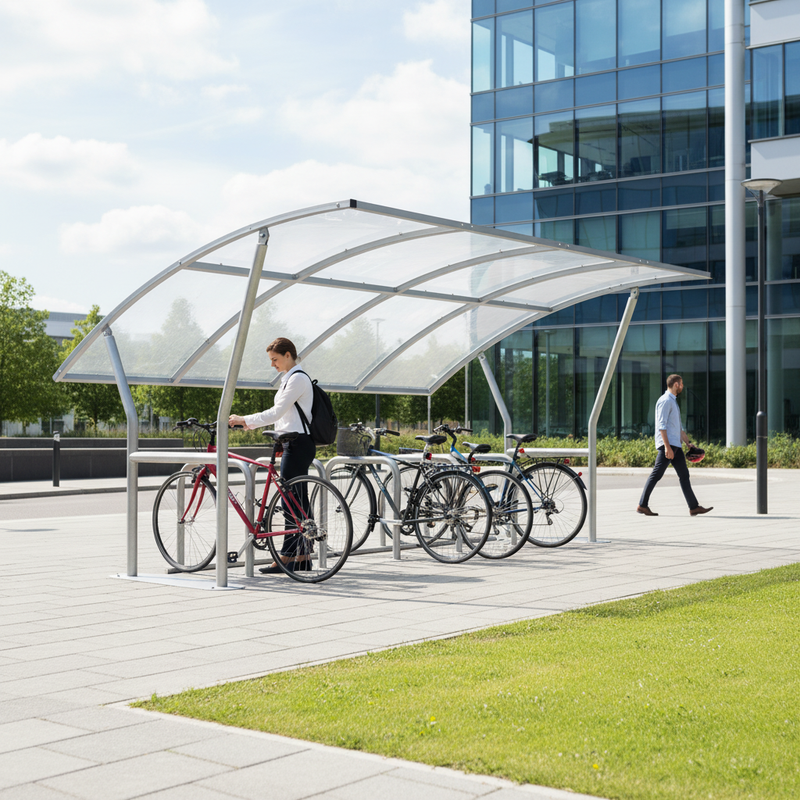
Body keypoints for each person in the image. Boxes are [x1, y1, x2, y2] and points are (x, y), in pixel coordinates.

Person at [229, 337, 316, 574]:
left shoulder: (297, 378)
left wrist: (245, 419)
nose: (272, 364)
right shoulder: (290, 379)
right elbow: (284, 416)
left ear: (288, 355)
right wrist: (252, 426)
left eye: (275, 359)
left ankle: (289, 557)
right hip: (293, 442)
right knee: (296, 501)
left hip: (298, 443)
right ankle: (301, 556)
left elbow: (277, 411)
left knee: (291, 502)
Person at [637, 374, 713, 517]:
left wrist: (687, 443)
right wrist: (667, 447)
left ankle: (694, 507)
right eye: (681, 384)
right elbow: (661, 425)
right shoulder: (665, 401)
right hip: (668, 445)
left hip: (675, 445)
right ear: (676, 384)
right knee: (656, 475)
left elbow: (677, 428)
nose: (683, 386)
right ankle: (642, 505)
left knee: (684, 475)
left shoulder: (673, 401)